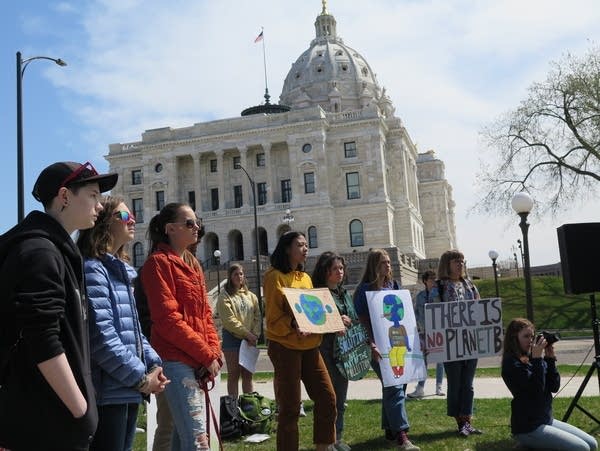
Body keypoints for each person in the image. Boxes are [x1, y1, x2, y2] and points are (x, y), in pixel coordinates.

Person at [0, 161, 117, 450]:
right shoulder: (41, 252)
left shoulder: (55, 250)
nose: (100, 206)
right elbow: (42, 338)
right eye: (92, 195)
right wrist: (81, 411)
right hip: (43, 426)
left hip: (48, 420)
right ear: (64, 197)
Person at [77, 196, 169, 451]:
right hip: (108, 391)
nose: (134, 220)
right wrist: (141, 378)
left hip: (126, 386)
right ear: (105, 223)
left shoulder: (119, 271)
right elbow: (102, 337)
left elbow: (136, 331)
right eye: (125, 216)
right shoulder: (94, 269)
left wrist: (154, 364)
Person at [141, 203, 222, 451]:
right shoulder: (157, 264)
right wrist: (206, 354)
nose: (196, 227)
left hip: (196, 358)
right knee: (198, 440)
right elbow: (167, 320)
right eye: (189, 223)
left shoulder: (193, 264)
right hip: (174, 359)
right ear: (170, 229)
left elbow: (205, 313)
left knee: (183, 435)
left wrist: (214, 351)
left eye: (196, 221)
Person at [264, 231, 336, 451]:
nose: (306, 249)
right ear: (287, 249)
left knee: (327, 398)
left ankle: (323, 447)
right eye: (300, 245)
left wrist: (333, 319)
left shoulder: (305, 278)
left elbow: (314, 312)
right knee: (290, 408)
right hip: (285, 347)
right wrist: (293, 325)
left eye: (306, 245)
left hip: (311, 346)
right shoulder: (274, 277)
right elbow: (273, 319)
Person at [352, 249, 419, 451]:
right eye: (383, 263)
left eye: (389, 262)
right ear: (374, 265)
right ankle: (402, 435)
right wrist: (371, 344)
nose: (388, 266)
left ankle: (390, 429)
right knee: (394, 387)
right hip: (377, 347)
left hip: (396, 343)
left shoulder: (394, 286)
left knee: (398, 384)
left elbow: (404, 315)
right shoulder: (364, 291)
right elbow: (361, 321)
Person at [502, 318, 597, 451]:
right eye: (526, 336)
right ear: (514, 338)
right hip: (528, 427)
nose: (531, 340)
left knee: (592, 444)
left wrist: (550, 359)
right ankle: (527, 443)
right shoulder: (511, 364)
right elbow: (536, 391)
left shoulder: (533, 358)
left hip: (546, 419)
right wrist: (537, 360)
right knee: (582, 448)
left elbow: (554, 387)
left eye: (532, 336)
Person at [435, 249, 482, 436]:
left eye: (462, 260)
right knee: (455, 383)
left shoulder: (469, 284)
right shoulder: (439, 287)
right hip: (450, 342)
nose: (460, 264)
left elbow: (479, 307)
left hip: (470, 340)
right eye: (456, 261)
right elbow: (432, 314)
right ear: (447, 264)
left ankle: (467, 420)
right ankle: (459, 421)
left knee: (468, 383)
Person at [312, 251, 356, 451]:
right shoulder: (319, 294)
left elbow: (354, 318)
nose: (339, 272)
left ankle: (338, 438)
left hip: (345, 352)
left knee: (341, 398)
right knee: (328, 399)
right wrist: (338, 321)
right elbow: (315, 321)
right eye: (334, 269)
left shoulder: (345, 293)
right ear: (325, 272)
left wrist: (349, 320)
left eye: (341, 268)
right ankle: (327, 440)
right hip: (326, 351)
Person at [216, 263, 261, 398]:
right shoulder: (224, 296)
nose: (239, 277)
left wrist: (255, 334)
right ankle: (234, 408)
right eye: (236, 274)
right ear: (230, 276)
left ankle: (249, 405)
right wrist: (246, 333)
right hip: (232, 338)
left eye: (241, 274)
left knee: (248, 374)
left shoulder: (251, 296)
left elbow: (257, 316)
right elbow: (229, 320)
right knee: (234, 373)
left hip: (250, 339)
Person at [407, 270, 445, 399]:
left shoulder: (439, 294)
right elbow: (416, 312)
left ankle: (439, 386)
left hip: (438, 330)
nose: (434, 281)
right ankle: (420, 388)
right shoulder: (420, 296)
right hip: (424, 331)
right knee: (424, 360)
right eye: (431, 279)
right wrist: (419, 327)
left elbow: (440, 308)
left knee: (440, 359)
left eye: (435, 278)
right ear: (425, 281)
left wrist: (435, 293)